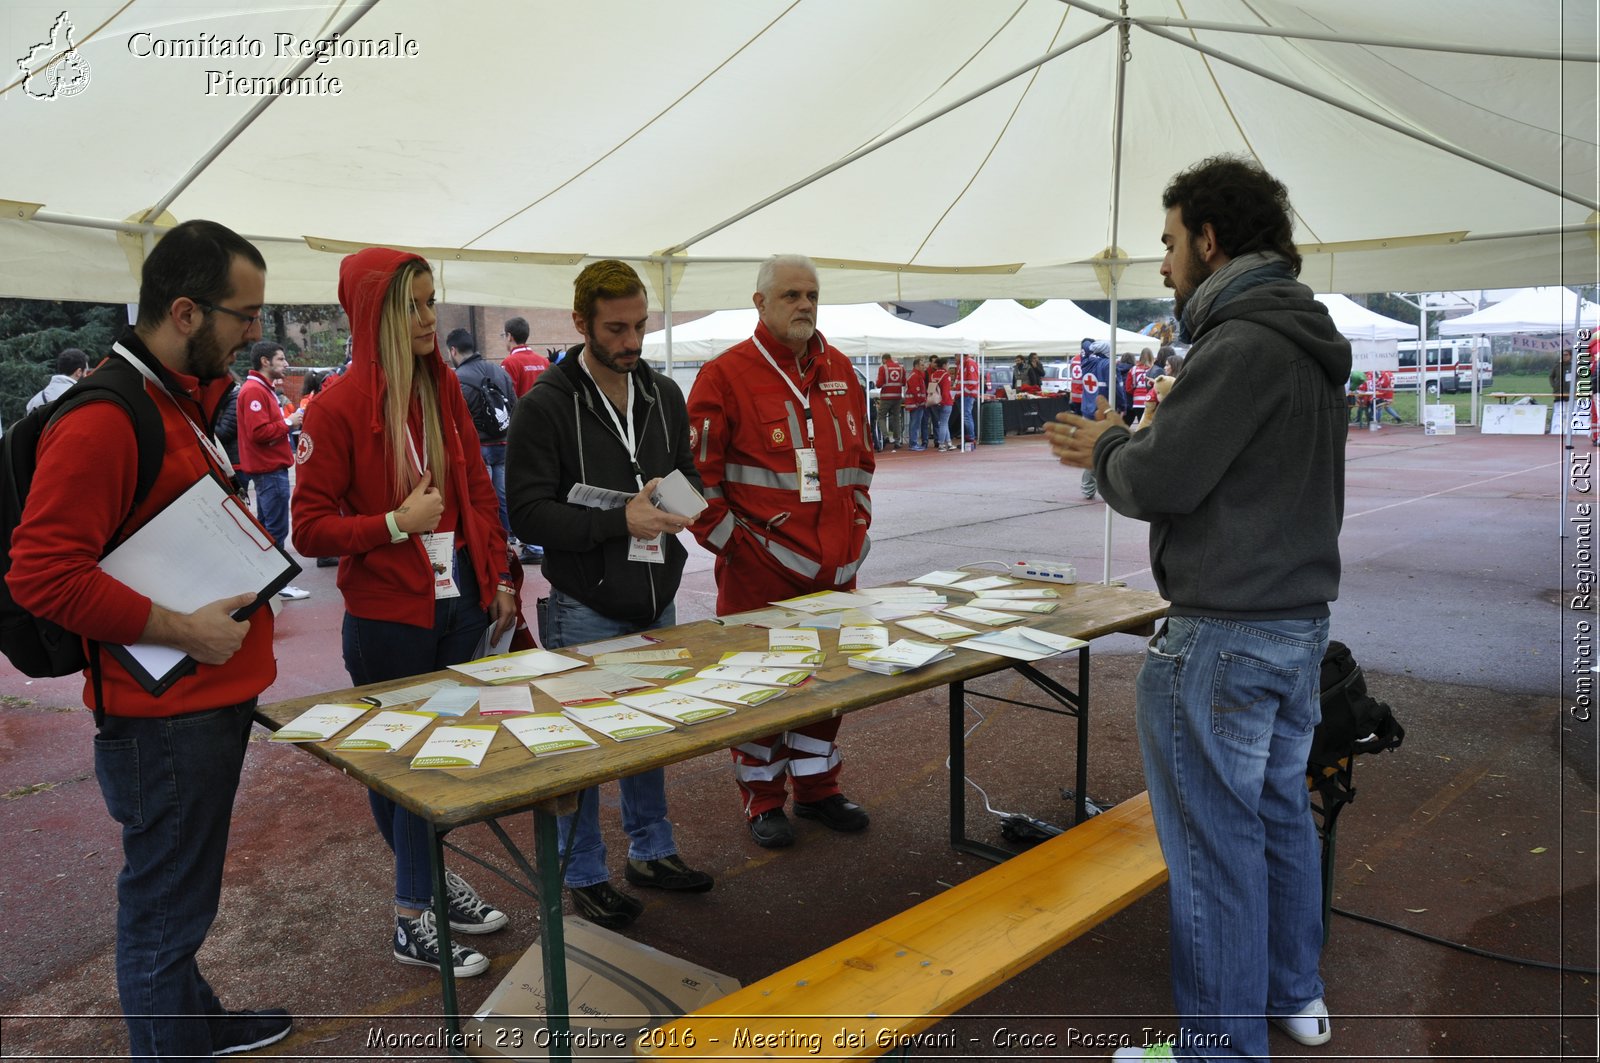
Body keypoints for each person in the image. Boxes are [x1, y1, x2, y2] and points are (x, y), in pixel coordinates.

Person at [1048, 156, 1349, 1061]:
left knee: (1216, 852)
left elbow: (1159, 478)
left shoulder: (1240, 341)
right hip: (1298, 624)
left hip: (1223, 633)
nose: (1166, 266)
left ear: (1211, 240)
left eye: (1172, 244)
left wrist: (1108, 443)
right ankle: (1296, 994)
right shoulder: (1305, 334)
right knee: (1279, 817)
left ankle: (1220, 1048)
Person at [8, 219, 293, 1059]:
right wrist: (180, 629)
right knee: (165, 910)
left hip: (197, 700)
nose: (256, 334)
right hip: (164, 715)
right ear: (183, 311)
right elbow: (40, 575)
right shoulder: (105, 417)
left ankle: (195, 1025)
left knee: (181, 897)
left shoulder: (173, 395)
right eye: (245, 315)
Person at [290, 247, 516, 980]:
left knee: (441, 764)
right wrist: (393, 522)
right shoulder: (334, 406)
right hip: (388, 622)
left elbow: (478, 488)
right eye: (414, 304)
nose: (429, 316)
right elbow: (309, 527)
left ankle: (427, 885)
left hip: (460, 604)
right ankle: (413, 913)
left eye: (431, 300)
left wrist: (500, 574)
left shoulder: (443, 386)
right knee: (408, 768)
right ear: (377, 312)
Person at [505, 259, 714, 929]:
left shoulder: (660, 393)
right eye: (616, 329)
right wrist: (617, 519)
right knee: (585, 746)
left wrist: (685, 506)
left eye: (640, 327)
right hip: (585, 605)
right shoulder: (545, 405)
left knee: (649, 732)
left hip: (655, 593)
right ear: (580, 323)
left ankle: (653, 849)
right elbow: (527, 513)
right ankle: (586, 872)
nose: (630, 342)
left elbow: (682, 470)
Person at [687, 254, 874, 848]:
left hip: (836, 571)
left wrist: (859, 527)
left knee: (828, 684)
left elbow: (861, 464)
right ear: (760, 302)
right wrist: (734, 547)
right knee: (762, 685)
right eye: (791, 294)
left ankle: (818, 789)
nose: (805, 305)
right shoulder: (723, 376)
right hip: (759, 574)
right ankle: (762, 798)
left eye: (812, 295)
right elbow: (694, 481)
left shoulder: (841, 369)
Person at [237, 341, 311, 600]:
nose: (286, 364)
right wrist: (288, 422)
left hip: (269, 470)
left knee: (269, 527)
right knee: (275, 530)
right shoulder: (255, 391)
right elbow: (258, 432)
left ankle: (267, 581)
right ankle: (277, 584)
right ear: (265, 361)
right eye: (280, 359)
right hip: (270, 470)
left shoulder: (259, 389)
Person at [446, 328, 517, 536]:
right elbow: (514, 404)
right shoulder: (499, 371)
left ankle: (488, 538)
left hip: (478, 447)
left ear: (453, 350)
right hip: (503, 443)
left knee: (481, 497)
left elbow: (453, 417)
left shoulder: (457, 378)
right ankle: (507, 538)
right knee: (503, 495)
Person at [1077, 340, 1112, 499]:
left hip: (1087, 411)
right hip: (1102, 413)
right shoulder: (1106, 364)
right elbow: (1115, 389)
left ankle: (1088, 488)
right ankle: (1105, 488)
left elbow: (1084, 345)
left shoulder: (1085, 363)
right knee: (1105, 450)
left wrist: (1090, 346)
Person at [500, 316, 552, 398]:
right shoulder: (544, 361)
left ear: (509, 336)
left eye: (503, 335)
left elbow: (508, 396)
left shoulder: (509, 363)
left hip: (521, 410)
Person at [875, 353, 905, 450]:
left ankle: (885, 436)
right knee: (896, 418)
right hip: (897, 396)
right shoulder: (901, 368)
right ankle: (897, 441)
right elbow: (904, 382)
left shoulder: (883, 368)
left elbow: (879, 384)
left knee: (881, 416)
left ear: (884, 359)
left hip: (886, 397)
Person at [927, 355, 955, 451]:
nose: (948, 366)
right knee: (943, 424)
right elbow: (946, 391)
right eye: (947, 364)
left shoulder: (932, 375)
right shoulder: (946, 375)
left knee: (943, 423)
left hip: (935, 402)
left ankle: (949, 443)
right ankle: (941, 444)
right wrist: (944, 401)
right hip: (945, 402)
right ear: (944, 365)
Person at [905, 355, 929, 450]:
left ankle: (913, 443)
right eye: (922, 365)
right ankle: (913, 444)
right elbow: (917, 392)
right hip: (916, 404)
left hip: (916, 404)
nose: (924, 367)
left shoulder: (916, 375)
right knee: (915, 424)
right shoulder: (915, 376)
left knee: (914, 424)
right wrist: (922, 401)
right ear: (916, 366)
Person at [958, 351, 981, 445]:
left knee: (966, 416)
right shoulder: (965, 363)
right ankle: (969, 437)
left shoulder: (968, 363)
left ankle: (971, 438)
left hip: (967, 394)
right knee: (966, 416)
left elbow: (972, 381)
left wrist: (965, 391)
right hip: (965, 394)